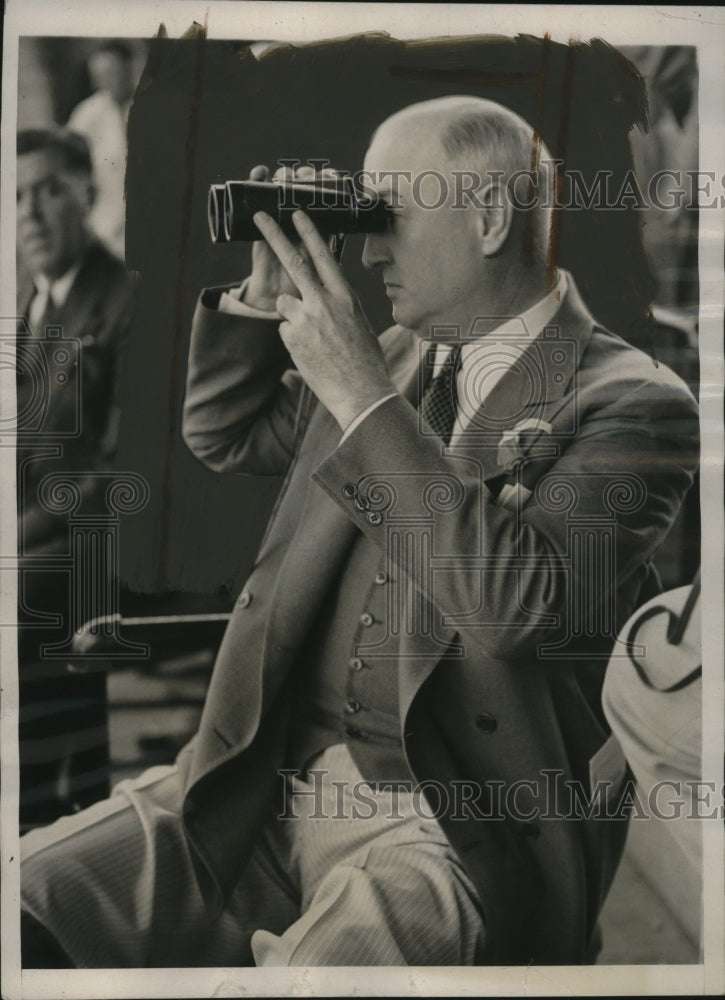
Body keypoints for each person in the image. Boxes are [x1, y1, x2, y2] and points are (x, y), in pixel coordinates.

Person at [20, 96, 699, 967]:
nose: (369, 247)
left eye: (388, 217)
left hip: (449, 822)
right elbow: (226, 431)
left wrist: (363, 396)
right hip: (257, 779)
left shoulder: (631, 403)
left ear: (489, 218)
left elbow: (517, 607)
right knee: (29, 899)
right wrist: (266, 296)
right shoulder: (398, 353)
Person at [16, 126, 135, 823]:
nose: (30, 212)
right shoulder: (31, 308)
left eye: (50, 189)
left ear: (87, 194)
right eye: (17, 196)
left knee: (20, 592)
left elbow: (120, 467)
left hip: (110, 538)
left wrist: (17, 531)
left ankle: (42, 814)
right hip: (45, 536)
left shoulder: (125, 299)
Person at [67, 41, 138, 259]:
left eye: (112, 72)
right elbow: (72, 167)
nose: (106, 81)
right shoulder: (86, 116)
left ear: (129, 69)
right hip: (106, 224)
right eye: (99, 75)